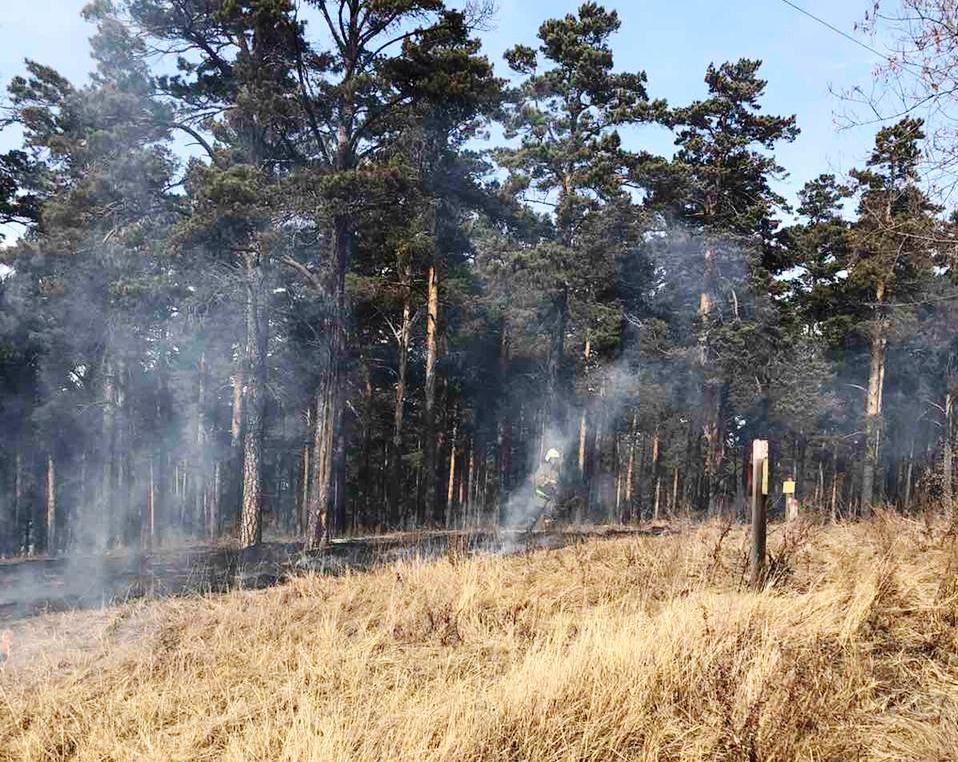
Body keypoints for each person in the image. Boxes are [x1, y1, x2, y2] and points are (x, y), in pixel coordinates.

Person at [530, 448, 562, 530]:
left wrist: (554, 486)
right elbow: (537, 479)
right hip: (540, 498)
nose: (555, 461)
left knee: (549, 518)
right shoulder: (543, 468)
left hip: (549, 499)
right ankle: (526, 532)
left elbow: (557, 484)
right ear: (550, 458)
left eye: (556, 459)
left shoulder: (556, 471)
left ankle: (546, 535)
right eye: (554, 458)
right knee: (534, 518)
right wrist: (546, 481)